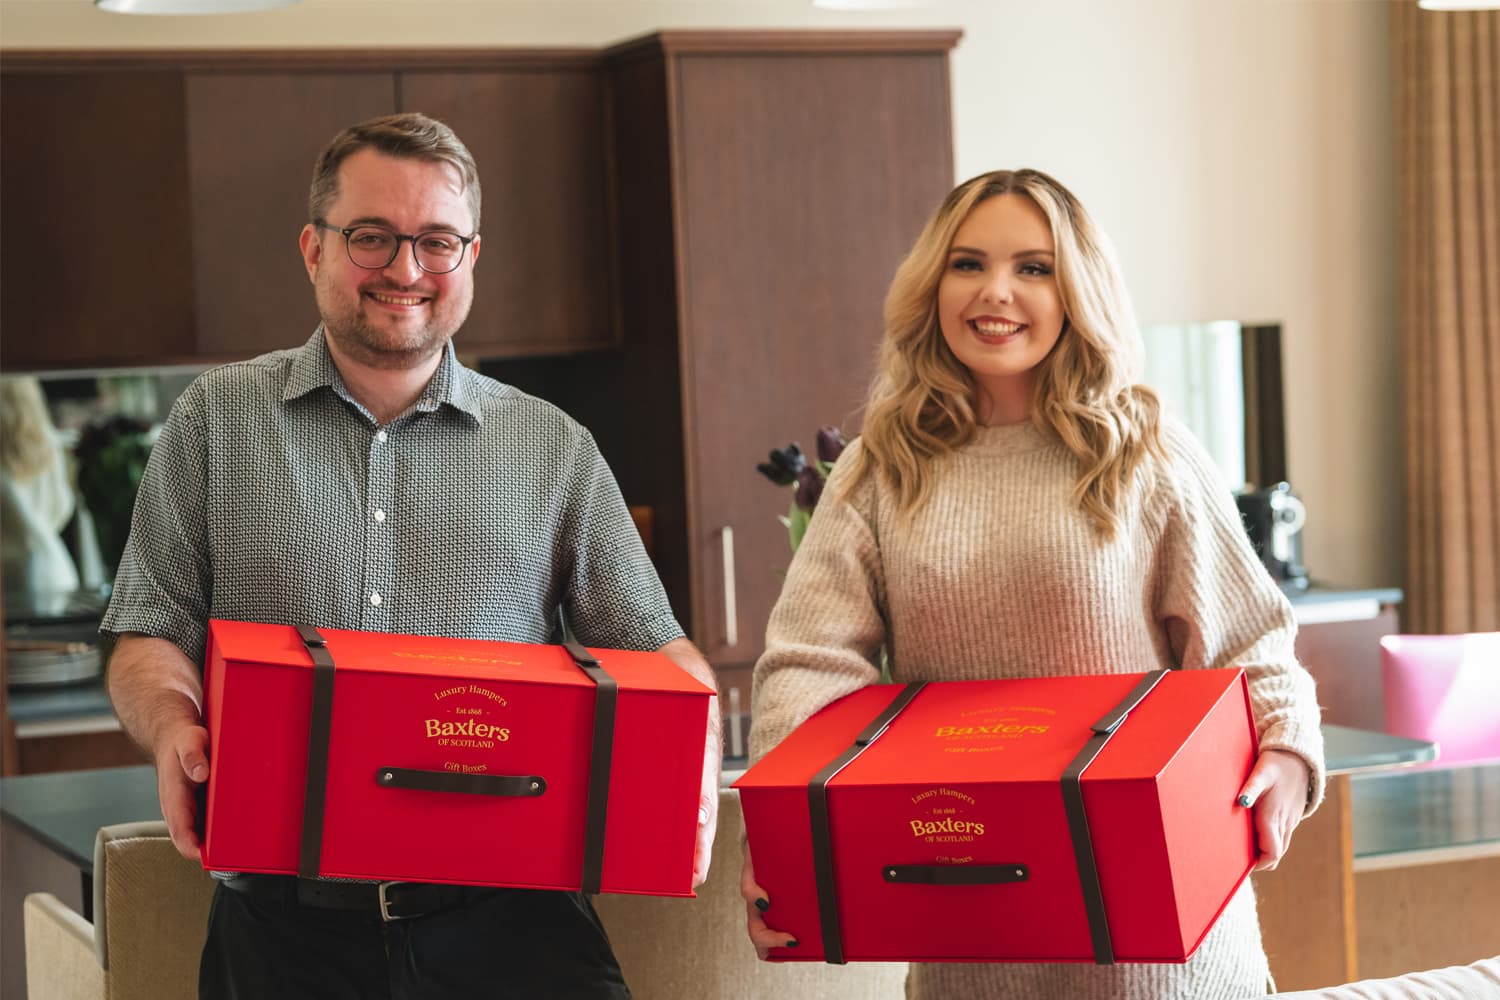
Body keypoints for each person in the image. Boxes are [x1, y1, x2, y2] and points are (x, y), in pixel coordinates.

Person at [102, 112, 720, 1000]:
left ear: (472, 255)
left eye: (437, 241)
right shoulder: (216, 421)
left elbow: (656, 648)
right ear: (314, 249)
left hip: (518, 928)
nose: (405, 270)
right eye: (371, 238)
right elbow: (146, 628)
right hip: (284, 934)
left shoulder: (554, 445)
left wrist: (693, 742)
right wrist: (172, 722)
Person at [740, 169, 1323, 999]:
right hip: (968, 936)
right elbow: (808, 665)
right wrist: (777, 838)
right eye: (968, 264)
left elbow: (1252, 645)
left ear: (1077, 289)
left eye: (1035, 268)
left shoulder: (1147, 450)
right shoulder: (881, 466)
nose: (996, 293)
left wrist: (1290, 756)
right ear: (933, 284)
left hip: (1163, 958)